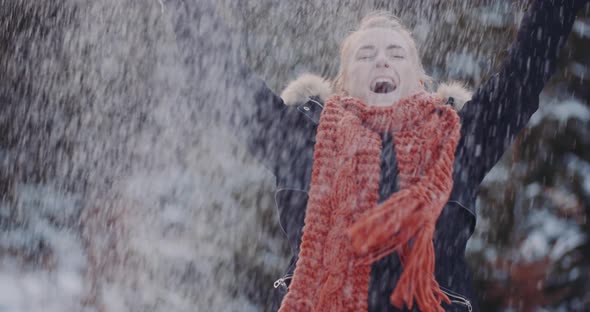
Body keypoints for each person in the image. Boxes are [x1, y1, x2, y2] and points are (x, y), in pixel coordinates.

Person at [166, 0, 589, 311]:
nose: (381, 61)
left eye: (396, 54)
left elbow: (525, 72)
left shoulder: (458, 139)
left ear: (419, 80)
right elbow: (219, 75)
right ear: (344, 83)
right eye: (366, 56)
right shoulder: (301, 140)